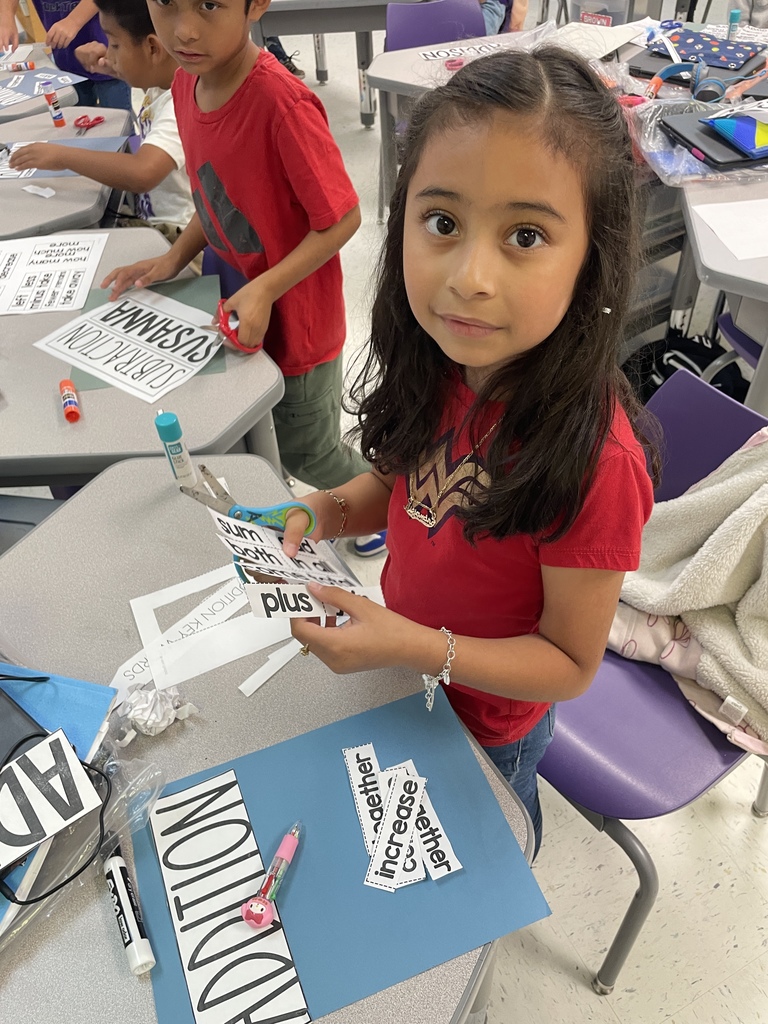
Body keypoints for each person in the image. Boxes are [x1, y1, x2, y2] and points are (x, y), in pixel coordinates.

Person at [280, 48, 657, 856]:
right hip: (403, 679)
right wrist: (327, 509)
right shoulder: (446, 363)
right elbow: (401, 482)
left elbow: (567, 664)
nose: (470, 278)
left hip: (489, 725)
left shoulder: (600, 462)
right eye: (442, 223)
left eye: (525, 235)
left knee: (484, 849)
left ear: (592, 257)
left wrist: (412, 646)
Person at [102, 0, 368, 498]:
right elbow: (214, 195)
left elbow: (343, 217)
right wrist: (174, 257)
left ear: (257, 4)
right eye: (164, 3)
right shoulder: (186, 84)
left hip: (299, 326)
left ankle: (397, 510)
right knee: (259, 433)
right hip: (240, 306)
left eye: (208, 5)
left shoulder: (281, 105)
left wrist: (266, 287)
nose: (184, 31)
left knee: (310, 451)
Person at [9, 0, 195, 247]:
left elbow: (143, 173)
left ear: (153, 48)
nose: (109, 53)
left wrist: (60, 156)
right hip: (155, 221)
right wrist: (111, 65)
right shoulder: (170, 80)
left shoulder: (180, 104)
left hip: (179, 238)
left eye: (115, 45)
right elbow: (152, 74)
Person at [0, 0, 131, 110]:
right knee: (75, 119)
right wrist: (6, 16)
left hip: (105, 53)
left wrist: (74, 21)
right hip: (65, 56)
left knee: (118, 120)